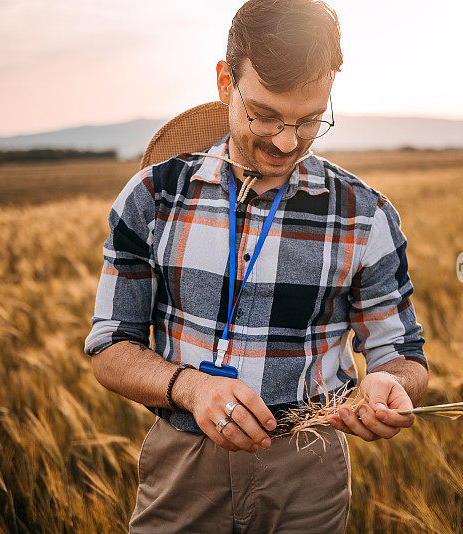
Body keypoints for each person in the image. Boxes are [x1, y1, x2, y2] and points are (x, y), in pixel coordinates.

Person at [83, 0, 428, 532]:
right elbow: (110, 347)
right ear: (225, 82)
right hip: (182, 469)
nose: (287, 141)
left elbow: (403, 355)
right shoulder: (153, 197)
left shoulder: (366, 215)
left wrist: (391, 385)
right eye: (265, 115)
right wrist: (191, 388)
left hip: (309, 472)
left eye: (311, 119)